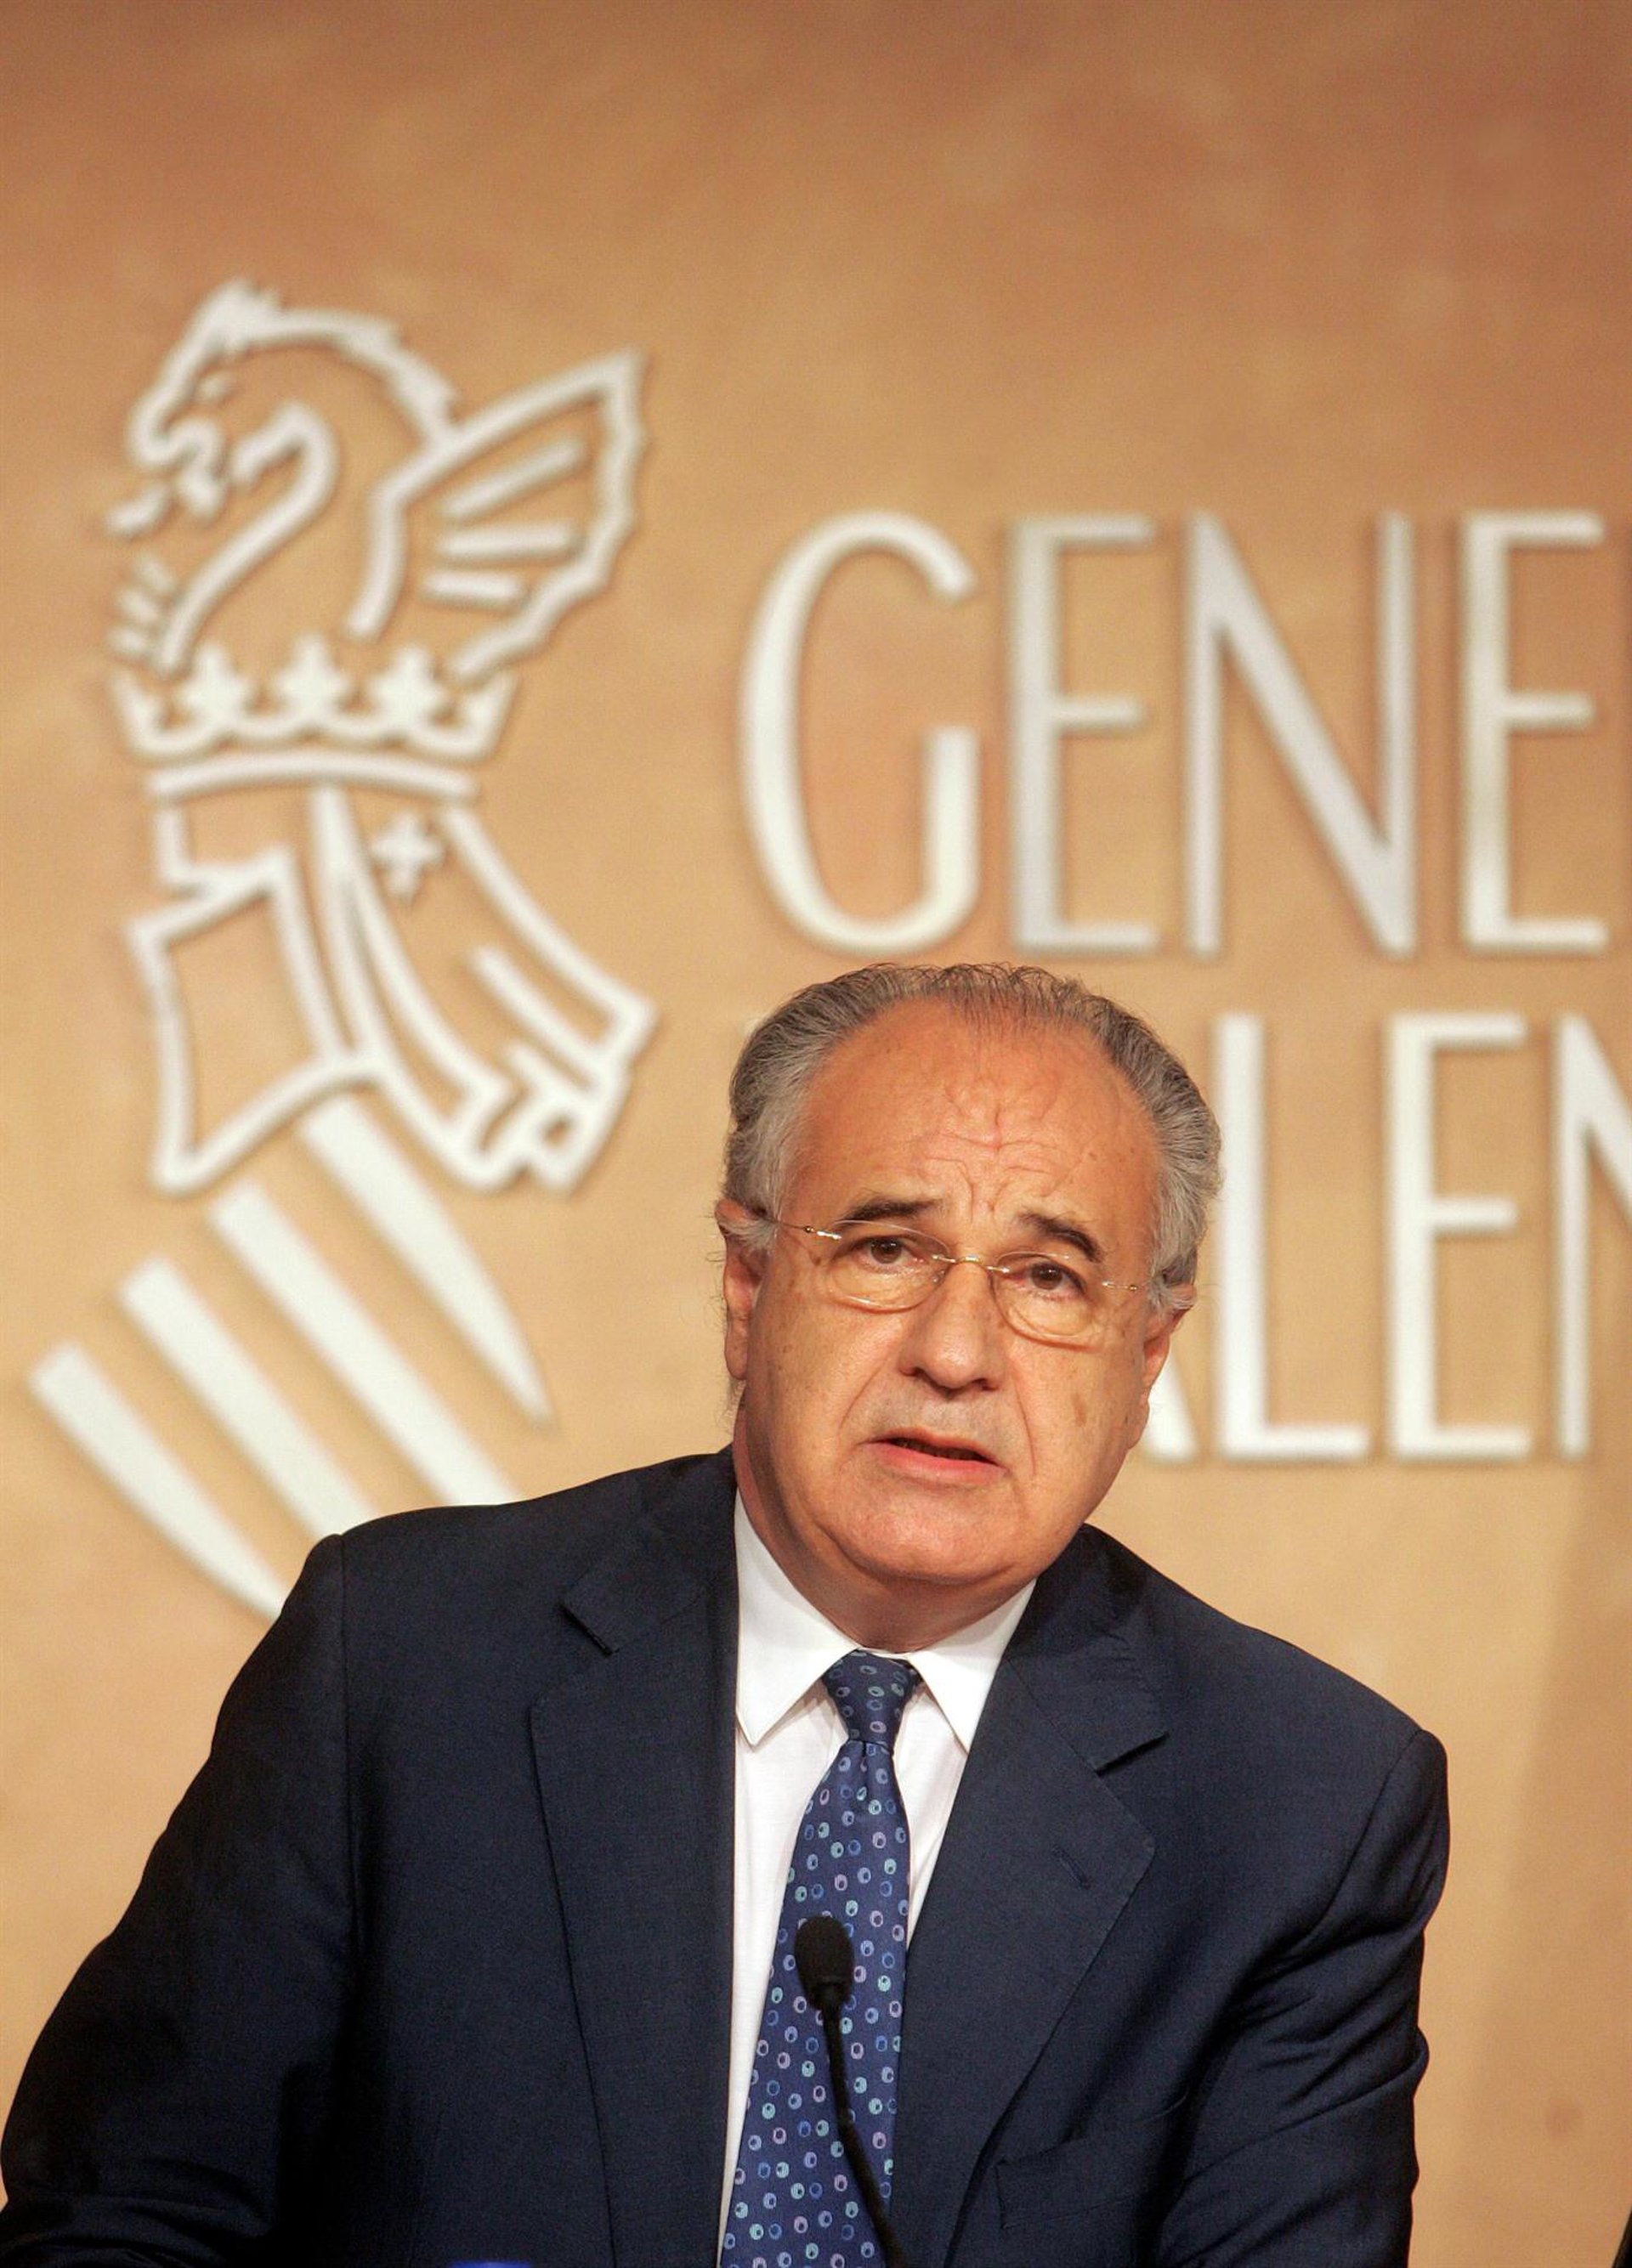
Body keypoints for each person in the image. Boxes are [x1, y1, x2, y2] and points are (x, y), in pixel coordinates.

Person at [0, 963, 1448, 2267]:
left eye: (1051, 1277)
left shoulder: (1302, 1809)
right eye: (885, 1249)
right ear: (750, 1288)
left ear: (1148, 1355)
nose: (957, 1352)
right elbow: (122, 2217)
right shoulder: (399, 1662)